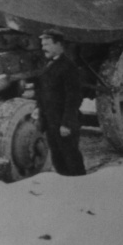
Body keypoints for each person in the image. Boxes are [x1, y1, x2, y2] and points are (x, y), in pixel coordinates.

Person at [35, 28, 86, 176]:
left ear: (59, 45)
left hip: (64, 124)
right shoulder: (49, 65)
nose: (43, 47)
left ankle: (80, 189)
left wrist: (67, 123)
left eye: (47, 44)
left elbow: (74, 98)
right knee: (58, 161)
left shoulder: (68, 67)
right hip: (51, 122)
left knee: (72, 161)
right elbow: (43, 92)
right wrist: (38, 108)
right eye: (42, 44)